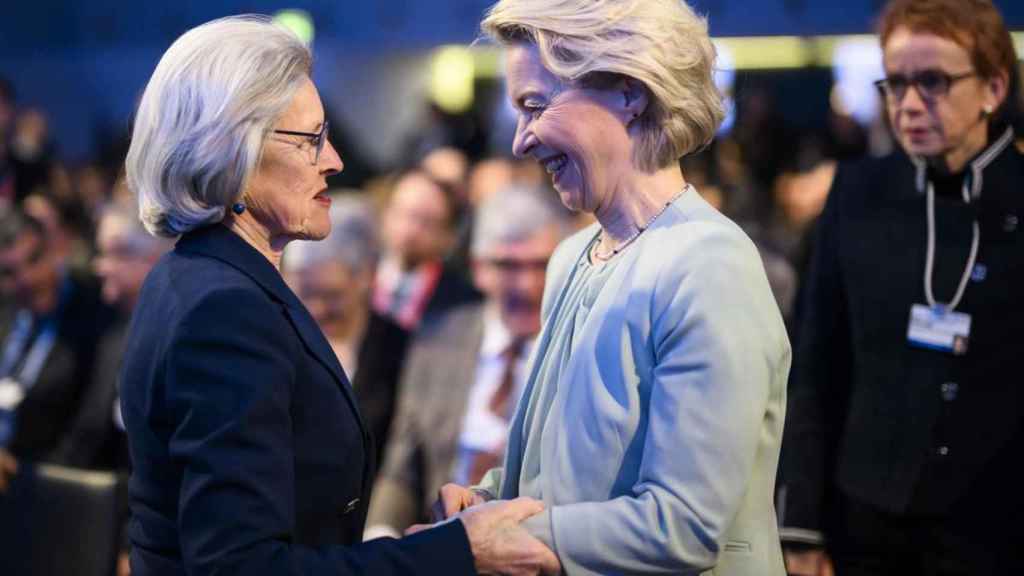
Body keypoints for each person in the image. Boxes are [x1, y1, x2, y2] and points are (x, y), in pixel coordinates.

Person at [119, 15, 557, 576]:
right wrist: (455, 551)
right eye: (311, 140)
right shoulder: (224, 308)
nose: (335, 161)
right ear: (235, 150)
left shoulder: (199, 277)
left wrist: (430, 541)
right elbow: (243, 567)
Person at [432, 0, 792, 574]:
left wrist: (497, 534)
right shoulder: (573, 257)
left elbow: (682, 527)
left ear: (630, 92)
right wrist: (484, 500)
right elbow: (558, 472)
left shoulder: (709, 266)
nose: (522, 141)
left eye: (535, 105)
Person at [778, 1, 1024, 575]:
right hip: (861, 525)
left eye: (933, 82)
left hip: (997, 530)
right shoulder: (857, 193)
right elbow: (818, 364)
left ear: (992, 87)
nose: (909, 104)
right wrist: (800, 526)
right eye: (897, 84)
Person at [366, 184, 573, 538]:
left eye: (540, 264)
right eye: (508, 265)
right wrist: (380, 535)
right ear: (479, 268)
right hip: (435, 543)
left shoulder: (577, 345)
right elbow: (403, 468)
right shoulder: (438, 336)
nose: (525, 285)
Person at [282, 193, 410, 470]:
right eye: (305, 294)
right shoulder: (276, 339)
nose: (316, 309)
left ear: (365, 277)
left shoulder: (400, 348)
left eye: (331, 295)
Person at [0, 207, 113, 490]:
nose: (26, 279)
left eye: (34, 260)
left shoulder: (95, 310)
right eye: (9, 272)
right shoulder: (6, 309)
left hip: (55, 479)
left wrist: (39, 482)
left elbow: (91, 422)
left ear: (54, 250)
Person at [372, 169, 480, 330]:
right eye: (403, 213)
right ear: (386, 213)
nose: (411, 230)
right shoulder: (355, 278)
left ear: (448, 236)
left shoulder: (463, 300)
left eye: (426, 222)